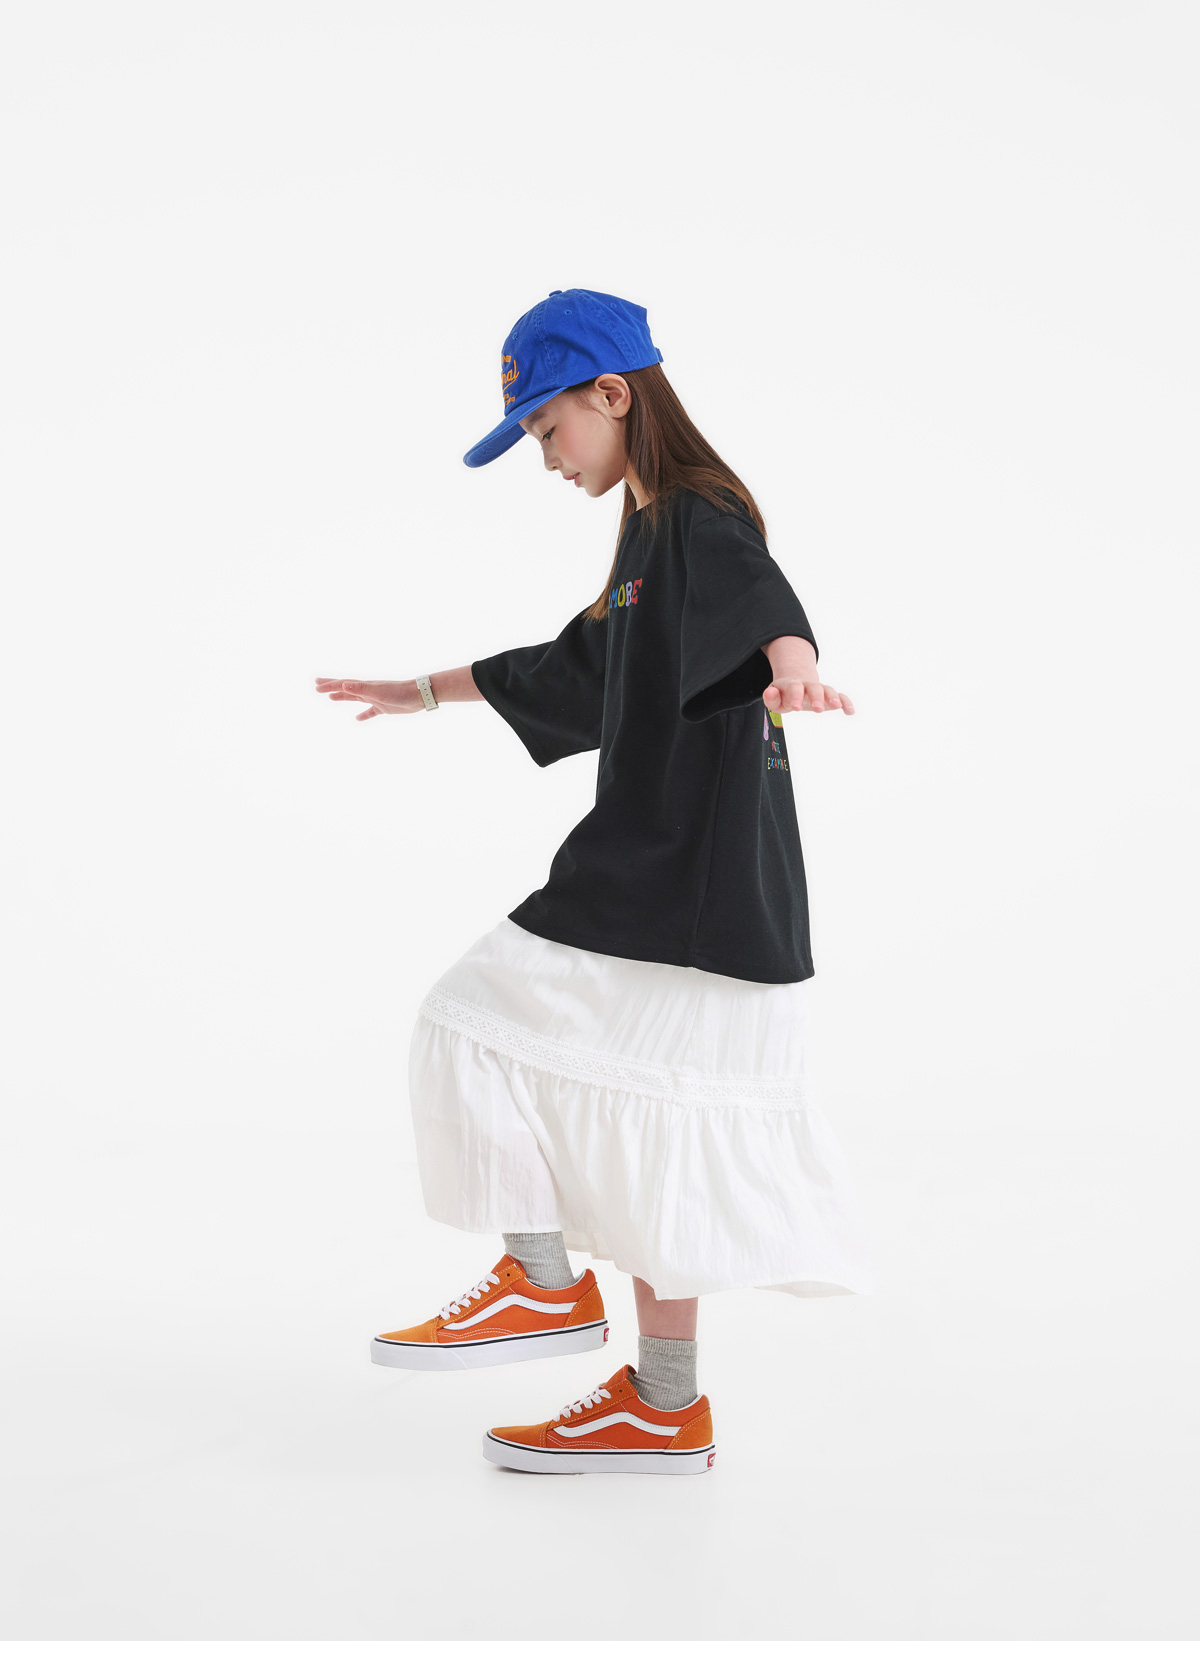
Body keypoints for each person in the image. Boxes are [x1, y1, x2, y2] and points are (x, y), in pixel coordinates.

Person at [315, 288, 875, 1476]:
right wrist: (425, 691)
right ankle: (664, 1406)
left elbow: (761, 597)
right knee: (656, 1126)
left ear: (613, 394)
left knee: (462, 1020)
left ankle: (540, 1281)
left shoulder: (695, 515)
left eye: (547, 427)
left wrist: (794, 663)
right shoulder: (646, 540)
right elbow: (582, 666)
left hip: (677, 877)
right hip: (708, 885)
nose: (547, 456)